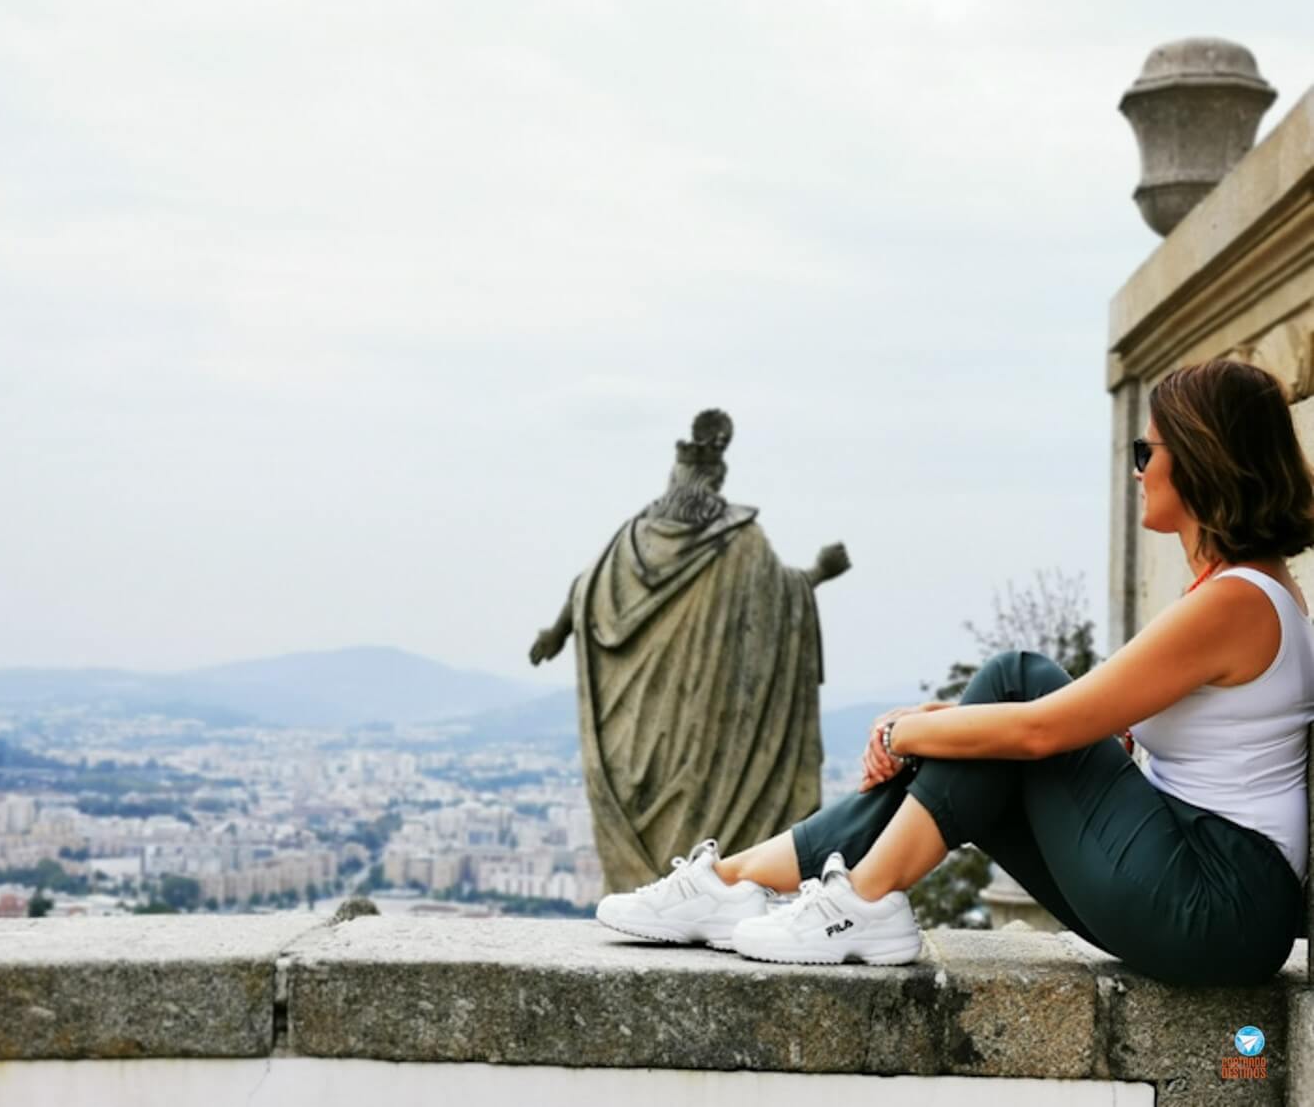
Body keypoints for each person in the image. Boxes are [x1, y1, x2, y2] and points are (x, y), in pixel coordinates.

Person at [595, 360, 1314, 985]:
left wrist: (911, 729)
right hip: (1197, 889)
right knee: (984, 743)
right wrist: (938, 727)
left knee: (1016, 674)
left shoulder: (1238, 603)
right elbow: (1104, 726)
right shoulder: (1241, 592)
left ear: (1198, 457)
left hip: (1217, 902)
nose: (1136, 469)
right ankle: (738, 883)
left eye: (1144, 449)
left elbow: (1044, 725)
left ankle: (856, 899)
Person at [530, 409, 850, 893]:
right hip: (707, 740)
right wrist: (819, 573)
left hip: (632, 732)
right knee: (713, 825)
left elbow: (585, 587)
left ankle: (662, 898)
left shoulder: (632, 537)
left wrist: (556, 632)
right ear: (715, 483)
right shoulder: (741, 542)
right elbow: (779, 601)